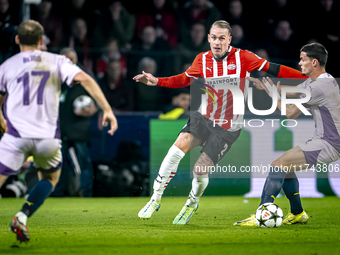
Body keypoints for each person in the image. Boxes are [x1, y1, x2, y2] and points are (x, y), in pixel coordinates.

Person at [133, 20, 306, 225]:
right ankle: (155, 198)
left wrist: (306, 76)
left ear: (229, 40)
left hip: (228, 126)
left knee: (199, 168)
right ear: (208, 38)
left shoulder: (244, 57)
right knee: (176, 149)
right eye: (213, 37)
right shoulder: (202, 59)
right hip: (203, 117)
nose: (217, 42)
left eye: (222, 38)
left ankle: (191, 203)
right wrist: (157, 80)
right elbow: (183, 79)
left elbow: (274, 69)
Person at [0, 20, 117, 242]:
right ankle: (23, 216)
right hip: (47, 138)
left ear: (17, 40)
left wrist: (2, 120)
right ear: (41, 41)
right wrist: (107, 109)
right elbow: (84, 78)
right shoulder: (56, 61)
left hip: (15, 136)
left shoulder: (8, 65)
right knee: (51, 178)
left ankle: (22, 215)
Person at [235, 42, 336, 226]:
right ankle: (297, 213)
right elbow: (294, 106)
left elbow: (290, 113)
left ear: (314, 62)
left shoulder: (319, 86)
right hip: (325, 140)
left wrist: (274, 94)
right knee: (285, 166)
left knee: (278, 165)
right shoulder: (316, 82)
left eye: (302, 59)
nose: (299, 63)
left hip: (330, 143)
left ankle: (262, 212)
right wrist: (269, 90)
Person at [52, 47, 98, 197]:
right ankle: (58, 195)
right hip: (59, 130)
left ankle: (86, 193)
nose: (68, 62)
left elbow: (97, 100)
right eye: (65, 59)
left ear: (76, 60)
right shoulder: (54, 78)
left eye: (71, 59)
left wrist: (93, 109)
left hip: (79, 130)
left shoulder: (85, 76)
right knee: (58, 165)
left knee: (83, 163)